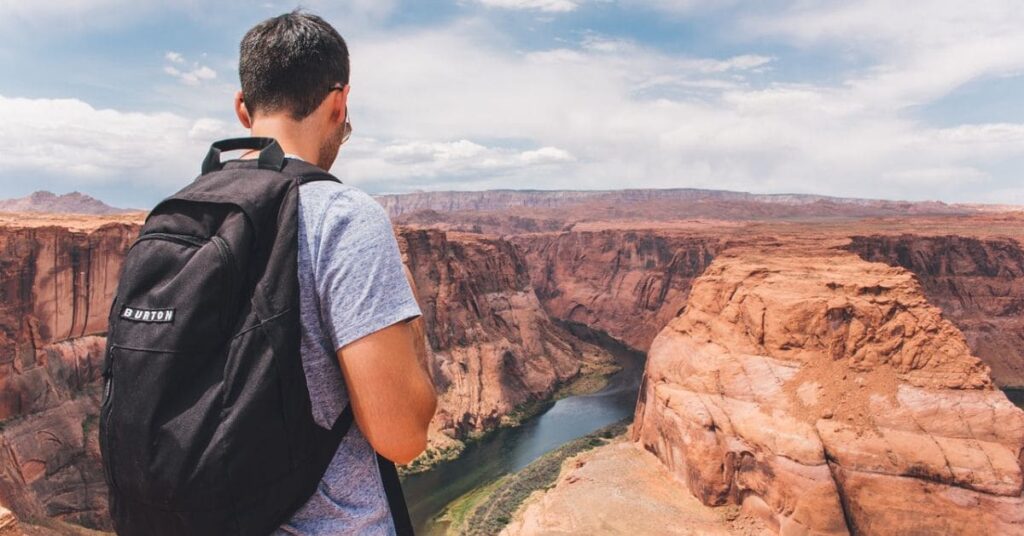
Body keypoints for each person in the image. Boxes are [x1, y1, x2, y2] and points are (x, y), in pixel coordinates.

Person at [232, 10, 437, 535]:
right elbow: (403, 436)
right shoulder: (343, 216)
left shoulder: (179, 218)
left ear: (242, 109)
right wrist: (412, 323)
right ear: (338, 103)